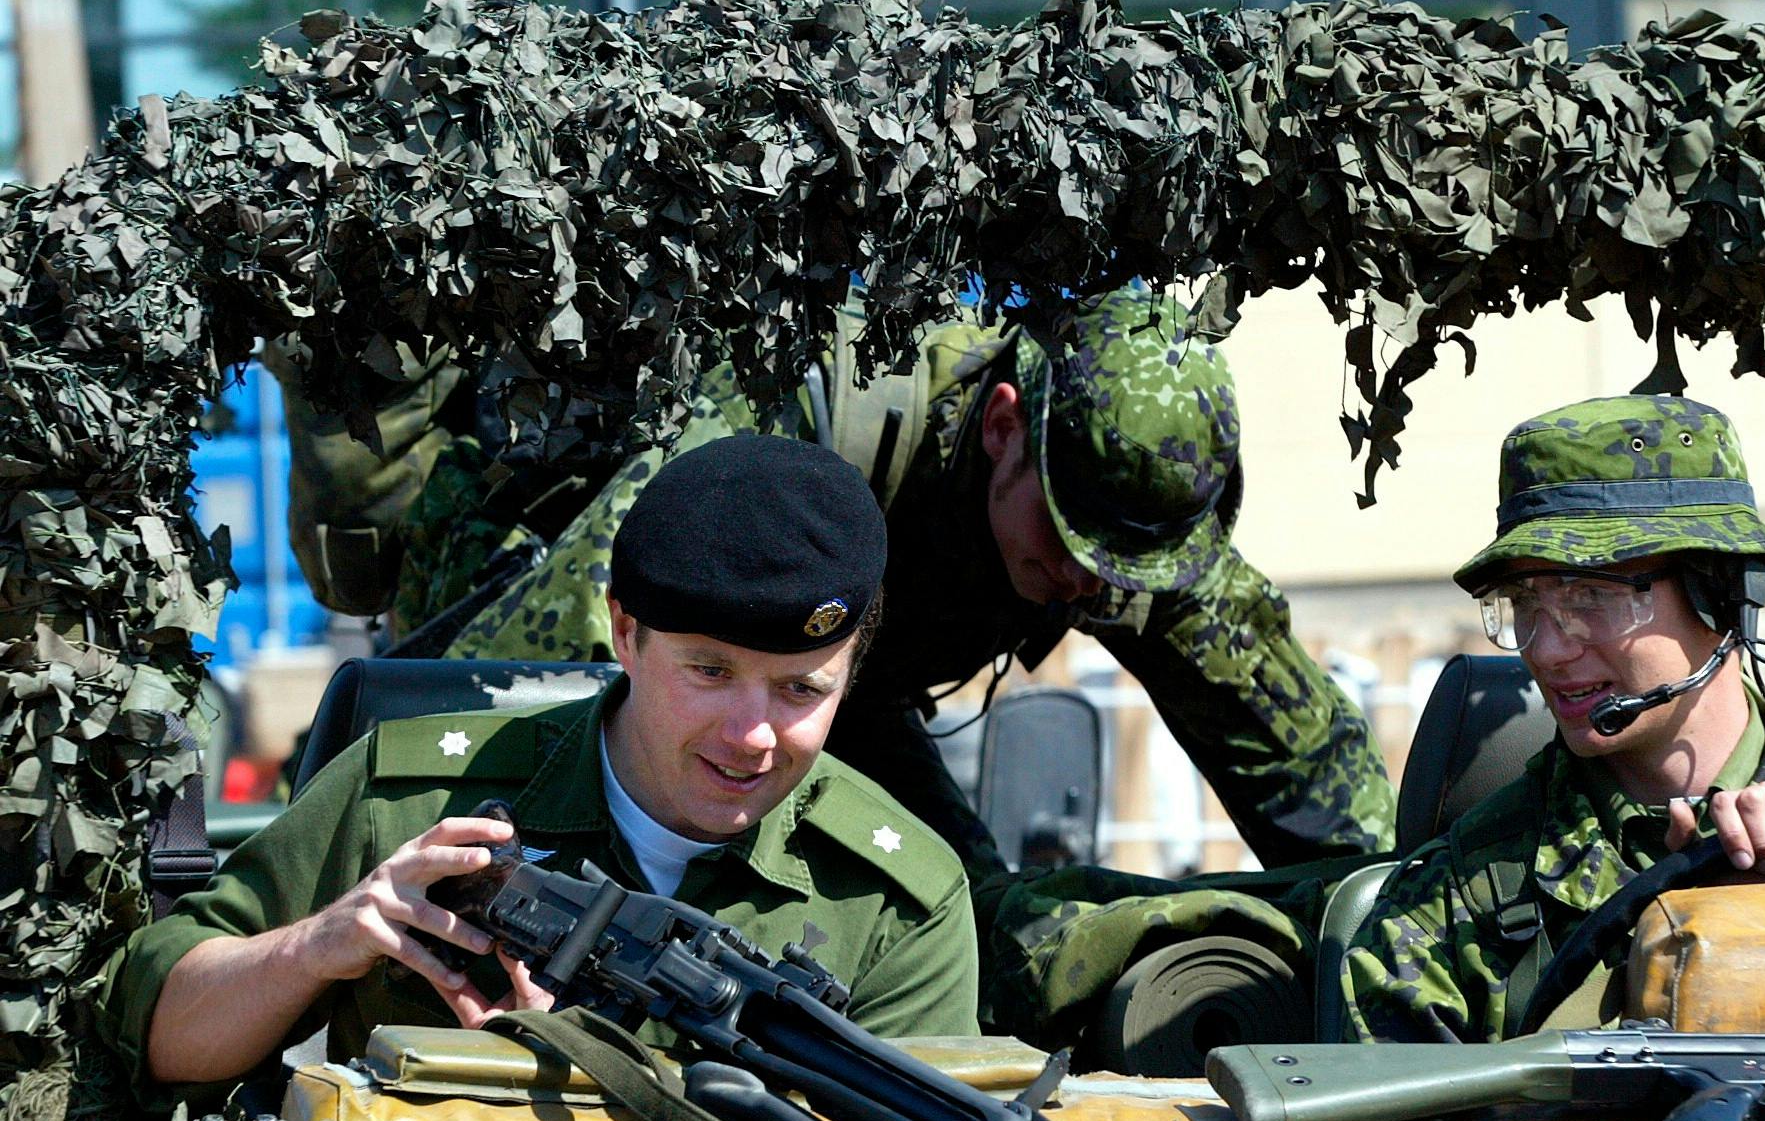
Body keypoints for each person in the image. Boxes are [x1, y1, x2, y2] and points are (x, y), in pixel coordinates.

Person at [291, 289, 1397, 885]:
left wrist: (1378, 922)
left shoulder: (1126, 524)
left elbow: (1302, 758)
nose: (1085, 585)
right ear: (1003, 425)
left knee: (960, 915)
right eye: (1067, 543)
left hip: (837, 693)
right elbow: (558, 663)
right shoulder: (808, 413)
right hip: (670, 671)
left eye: (1122, 571)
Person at [99, 436, 977, 1090]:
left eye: (800, 691)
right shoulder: (410, 801)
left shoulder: (893, 902)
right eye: (710, 673)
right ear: (625, 633)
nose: (753, 735)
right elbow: (159, 1033)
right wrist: (318, 943)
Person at [1340, 394, 1765, 1045]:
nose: (1546, 648)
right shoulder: (1451, 907)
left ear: (1722, 592)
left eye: (1589, 596)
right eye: (1525, 603)